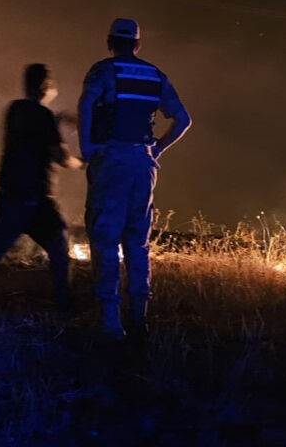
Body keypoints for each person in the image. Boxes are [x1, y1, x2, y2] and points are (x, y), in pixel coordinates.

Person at [78, 18, 191, 343]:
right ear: (138, 45)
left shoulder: (103, 71)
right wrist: (157, 149)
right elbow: (183, 119)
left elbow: (87, 103)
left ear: (109, 42)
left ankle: (111, 322)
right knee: (137, 241)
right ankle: (139, 315)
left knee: (105, 238)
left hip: (111, 159)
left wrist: (87, 147)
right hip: (143, 162)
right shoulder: (155, 75)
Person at [0, 64, 81, 319]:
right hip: (36, 200)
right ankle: (64, 308)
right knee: (59, 253)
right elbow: (60, 156)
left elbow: (36, 123)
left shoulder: (14, 110)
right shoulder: (42, 117)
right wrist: (83, 162)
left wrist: (57, 119)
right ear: (46, 87)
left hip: (9, 195)